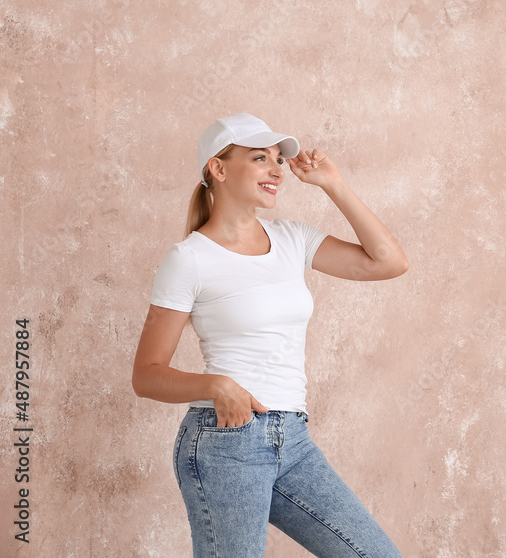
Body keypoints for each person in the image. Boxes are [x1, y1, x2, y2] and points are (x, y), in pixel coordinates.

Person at [131, 113, 409, 557]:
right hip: (225, 441)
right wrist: (216, 385)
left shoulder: (292, 240)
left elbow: (388, 263)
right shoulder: (190, 258)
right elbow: (146, 374)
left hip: (292, 437)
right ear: (218, 169)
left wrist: (333, 184)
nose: (277, 169)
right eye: (259, 158)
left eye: (278, 159)